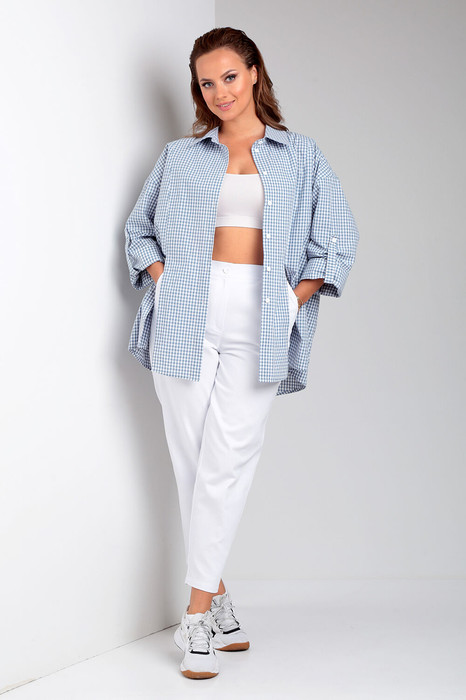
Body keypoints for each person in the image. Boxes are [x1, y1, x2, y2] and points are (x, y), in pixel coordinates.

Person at [124, 26, 359, 680]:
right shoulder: (180, 156)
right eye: (207, 82)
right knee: (193, 461)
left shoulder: (301, 155)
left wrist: (290, 299)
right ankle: (215, 601)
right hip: (185, 311)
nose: (220, 91)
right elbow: (138, 230)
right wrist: (166, 279)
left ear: (254, 72)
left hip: (260, 308)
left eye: (230, 76)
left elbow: (338, 238)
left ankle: (195, 615)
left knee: (228, 459)